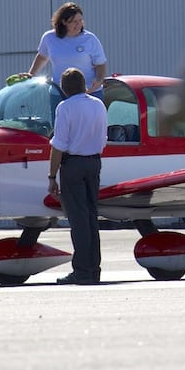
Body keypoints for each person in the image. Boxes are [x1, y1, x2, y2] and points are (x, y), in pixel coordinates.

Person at [47, 67, 108, 285]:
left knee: (78, 220)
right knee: (91, 217)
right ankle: (93, 269)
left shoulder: (65, 108)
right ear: (83, 85)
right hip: (94, 163)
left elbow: (58, 145)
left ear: (64, 89)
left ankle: (81, 271)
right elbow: (102, 140)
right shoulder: (98, 104)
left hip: (73, 165)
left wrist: (52, 176)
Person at [24, 2, 108, 100]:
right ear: (64, 21)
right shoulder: (49, 38)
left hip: (89, 92)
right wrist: (31, 75)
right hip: (60, 93)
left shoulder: (90, 39)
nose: (78, 24)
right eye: (74, 21)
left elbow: (100, 64)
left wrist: (99, 81)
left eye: (80, 20)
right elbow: (42, 57)